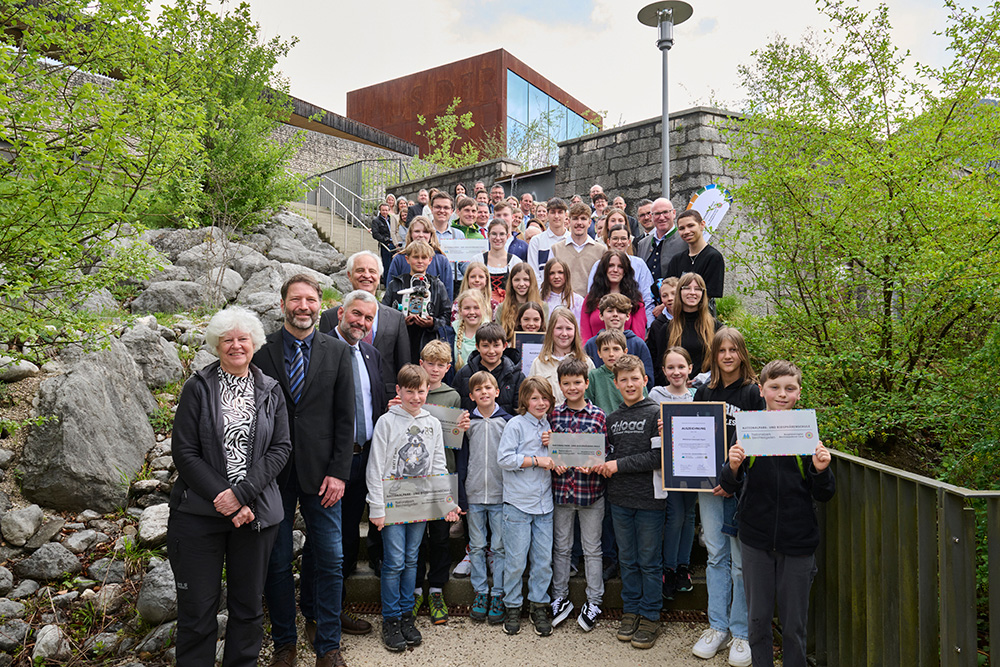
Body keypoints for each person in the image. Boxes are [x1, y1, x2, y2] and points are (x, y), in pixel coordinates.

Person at [169, 306, 291, 667]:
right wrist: (225, 498)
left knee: (248, 607)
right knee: (197, 611)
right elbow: (185, 451)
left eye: (243, 339)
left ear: (254, 344)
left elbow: (281, 447)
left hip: (255, 514)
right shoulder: (197, 387)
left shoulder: (270, 389)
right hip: (198, 515)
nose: (236, 345)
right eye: (227, 340)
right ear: (216, 345)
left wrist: (241, 494)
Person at [258, 275, 355, 667]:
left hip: (324, 476)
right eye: (296, 299)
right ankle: (285, 644)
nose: (304, 306)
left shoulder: (338, 351)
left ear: (320, 305)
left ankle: (328, 646)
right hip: (273, 475)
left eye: (311, 300)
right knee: (277, 561)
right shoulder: (261, 350)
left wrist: (340, 472)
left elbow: (346, 418)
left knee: (331, 560)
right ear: (282, 304)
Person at [721, 360, 834, 667]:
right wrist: (733, 466)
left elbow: (824, 493)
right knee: (757, 621)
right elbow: (728, 485)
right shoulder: (748, 429)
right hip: (755, 539)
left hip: (798, 541)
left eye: (789, 388)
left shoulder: (807, 432)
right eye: (774, 387)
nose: (782, 394)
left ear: (799, 392)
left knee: (794, 625)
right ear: (761, 390)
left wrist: (821, 470)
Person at [366, 364, 460, 652]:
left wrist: (446, 502)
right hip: (392, 504)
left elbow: (438, 465)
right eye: (410, 392)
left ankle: (407, 615)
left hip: (419, 503)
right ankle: (391, 618)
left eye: (420, 391)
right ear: (399, 391)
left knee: (411, 558)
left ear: (427, 390)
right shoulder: (386, 422)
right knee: (394, 561)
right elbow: (375, 466)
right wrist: (377, 508)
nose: (416, 397)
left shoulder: (432, 423)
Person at [691, 328, 764, 666]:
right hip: (709, 486)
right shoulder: (704, 391)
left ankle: (741, 633)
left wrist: (732, 479)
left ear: (742, 353)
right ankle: (717, 627)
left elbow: (757, 443)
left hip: (740, 487)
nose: (728, 356)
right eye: (722, 350)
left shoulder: (752, 392)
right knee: (715, 555)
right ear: (714, 355)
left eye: (734, 350)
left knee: (740, 561)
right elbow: (693, 436)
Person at [325, 290, 386, 638]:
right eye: (356, 314)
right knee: (329, 541)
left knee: (349, 535)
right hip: (333, 463)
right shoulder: (321, 349)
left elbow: (375, 402)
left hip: (365, 459)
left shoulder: (370, 354)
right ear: (340, 313)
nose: (361, 322)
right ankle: (323, 614)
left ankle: (337, 608)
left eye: (368, 318)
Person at [593, 354, 665, 650]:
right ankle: (631, 610)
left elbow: (658, 457)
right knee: (627, 559)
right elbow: (605, 454)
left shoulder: (657, 414)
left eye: (635, 378)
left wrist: (618, 465)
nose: (630, 384)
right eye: (624, 380)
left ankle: (650, 615)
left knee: (649, 561)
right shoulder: (611, 419)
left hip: (650, 500)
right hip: (620, 499)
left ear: (645, 380)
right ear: (616, 384)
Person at [548, 358, 608, 633]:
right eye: (566, 383)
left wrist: (596, 463)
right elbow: (549, 451)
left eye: (577, 382)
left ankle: (594, 600)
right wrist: (554, 461)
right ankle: (559, 596)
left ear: (586, 383)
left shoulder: (598, 416)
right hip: (562, 492)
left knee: (592, 549)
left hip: (590, 493)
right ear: (560, 385)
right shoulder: (553, 416)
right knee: (561, 548)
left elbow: (605, 451)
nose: (572, 388)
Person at [413, 341, 469, 626]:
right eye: (430, 363)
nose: (434, 370)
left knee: (440, 535)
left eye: (440, 365)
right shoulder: (411, 392)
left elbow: (455, 441)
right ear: (421, 363)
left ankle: (436, 588)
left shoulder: (452, 396)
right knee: (416, 536)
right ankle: (414, 588)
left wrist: (462, 428)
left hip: (444, 472)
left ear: (448, 368)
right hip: (413, 477)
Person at [497, 377, 556, 637]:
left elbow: (559, 457)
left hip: (544, 505)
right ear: (524, 400)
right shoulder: (516, 424)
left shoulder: (550, 426)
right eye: (534, 398)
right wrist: (536, 460)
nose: (540, 403)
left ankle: (538, 605)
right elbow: (504, 458)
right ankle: (512, 605)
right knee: (516, 560)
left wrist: (554, 445)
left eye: (544, 398)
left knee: (543, 561)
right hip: (518, 503)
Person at [319, 250, 410, 404]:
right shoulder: (330, 317)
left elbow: (404, 364)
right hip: (342, 399)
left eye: (372, 271)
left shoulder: (396, 318)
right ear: (349, 275)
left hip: (388, 399)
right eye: (360, 270)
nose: (366, 275)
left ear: (379, 276)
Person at [461, 370, 513, 626]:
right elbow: (461, 457)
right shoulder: (466, 424)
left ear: (497, 392)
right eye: (478, 389)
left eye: (488, 388)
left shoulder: (508, 422)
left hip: (500, 493)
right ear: (471, 396)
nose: (484, 392)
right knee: (477, 546)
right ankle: (481, 592)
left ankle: (498, 593)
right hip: (473, 494)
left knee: (500, 547)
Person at [648, 346, 698, 603]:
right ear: (664, 370)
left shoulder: (697, 395)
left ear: (690, 369)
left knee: (689, 515)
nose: (676, 372)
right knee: (675, 515)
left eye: (681, 367)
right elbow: (650, 427)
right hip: (669, 465)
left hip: (695, 465)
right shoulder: (656, 394)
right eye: (671, 367)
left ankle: (682, 566)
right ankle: (668, 568)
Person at [382, 240, 451, 363]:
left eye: (424, 257)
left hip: (428, 342)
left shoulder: (437, 285)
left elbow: (447, 316)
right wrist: (400, 322)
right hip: (400, 343)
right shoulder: (396, 284)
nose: (420, 261)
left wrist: (433, 323)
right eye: (415, 257)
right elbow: (384, 313)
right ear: (407, 259)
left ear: (430, 260)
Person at [587, 213, 655, 322]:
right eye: (615, 238)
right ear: (608, 241)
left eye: (623, 238)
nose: (619, 242)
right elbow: (592, 295)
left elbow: (647, 298)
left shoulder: (639, 264)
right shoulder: (599, 265)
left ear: (629, 242)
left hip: (633, 320)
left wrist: (649, 324)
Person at [453, 322, 525, 416]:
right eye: (485, 346)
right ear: (477, 347)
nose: (491, 351)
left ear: (504, 346)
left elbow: (520, 411)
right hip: (473, 424)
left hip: (507, 424)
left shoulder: (517, 376)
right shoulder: (464, 374)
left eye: (496, 345)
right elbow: (457, 409)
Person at [582, 293, 655, 386]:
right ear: (601, 315)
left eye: (620, 311)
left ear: (628, 316)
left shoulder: (638, 344)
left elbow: (648, 379)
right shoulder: (591, 344)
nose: (615, 314)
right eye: (610, 311)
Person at [529, 306, 594, 406]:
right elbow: (531, 396)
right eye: (559, 328)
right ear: (551, 331)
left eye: (569, 329)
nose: (564, 334)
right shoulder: (538, 363)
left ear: (575, 331)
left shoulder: (586, 362)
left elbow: (593, 396)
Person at [580, 249, 647, 340]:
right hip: (594, 348)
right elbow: (584, 334)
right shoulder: (591, 298)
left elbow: (638, 335)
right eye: (611, 265)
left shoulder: (635, 299)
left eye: (620, 266)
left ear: (625, 271)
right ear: (604, 269)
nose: (615, 270)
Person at [665, 273, 720, 380]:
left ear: (703, 293)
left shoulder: (716, 327)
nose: (692, 292)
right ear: (679, 292)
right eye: (687, 288)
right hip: (676, 387)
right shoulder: (667, 328)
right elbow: (659, 365)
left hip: (707, 388)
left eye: (698, 289)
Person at [665, 210, 726, 306]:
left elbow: (709, 295)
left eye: (691, 226)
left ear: (702, 225)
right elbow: (669, 289)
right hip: (676, 312)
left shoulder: (713, 257)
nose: (686, 231)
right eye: (681, 228)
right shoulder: (676, 260)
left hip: (702, 313)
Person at [386, 216, 454, 301]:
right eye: (417, 231)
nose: (421, 235)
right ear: (410, 234)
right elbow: (390, 291)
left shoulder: (441, 260)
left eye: (425, 232)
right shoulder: (399, 259)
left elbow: (448, 294)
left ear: (431, 235)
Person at [551, 202, 607, 297]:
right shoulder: (556, 249)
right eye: (575, 218)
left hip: (591, 302)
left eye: (583, 219)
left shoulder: (601, 250)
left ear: (589, 223)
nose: (579, 223)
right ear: (569, 222)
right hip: (562, 302)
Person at [636, 197, 685, 281]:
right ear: (652, 216)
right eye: (657, 214)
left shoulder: (684, 240)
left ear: (674, 213)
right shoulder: (642, 244)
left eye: (665, 212)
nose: (661, 218)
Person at [584, 329, 630, 417]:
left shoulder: (633, 376)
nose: (611, 354)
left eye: (616, 349)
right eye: (606, 349)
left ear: (625, 352)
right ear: (599, 353)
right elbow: (587, 405)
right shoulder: (594, 376)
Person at [495, 263, 544, 343]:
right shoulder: (502, 307)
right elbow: (497, 336)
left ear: (532, 281)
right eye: (517, 280)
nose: (521, 284)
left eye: (526, 279)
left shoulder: (542, 306)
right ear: (511, 282)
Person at [646, 277, 679, 387]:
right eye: (665, 296)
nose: (670, 298)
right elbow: (653, 355)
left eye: (674, 294)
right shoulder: (657, 325)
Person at [527, 197, 570, 279]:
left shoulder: (572, 240)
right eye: (553, 212)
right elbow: (534, 273)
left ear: (565, 215)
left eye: (560, 212)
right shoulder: (536, 241)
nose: (556, 216)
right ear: (547, 215)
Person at [482, 218, 522, 303]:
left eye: (502, 234)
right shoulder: (478, 260)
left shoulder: (515, 262)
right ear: (488, 236)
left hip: (509, 307)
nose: (497, 238)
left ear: (507, 236)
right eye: (494, 234)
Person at [454, 289, 490, 369]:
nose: (472, 312)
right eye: (467, 308)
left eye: (476, 308)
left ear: (483, 308)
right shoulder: (450, 333)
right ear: (460, 310)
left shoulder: (492, 333)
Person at [540, 258, 584, 322]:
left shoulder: (578, 301)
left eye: (560, 272)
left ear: (566, 274)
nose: (556, 276)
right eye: (552, 273)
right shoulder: (540, 299)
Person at [371, 203, 395, 283]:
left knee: (394, 264)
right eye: (383, 210)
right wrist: (385, 240)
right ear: (380, 211)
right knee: (386, 264)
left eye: (386, 210)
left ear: (389, 210)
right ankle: (386, 283)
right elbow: (375, 234)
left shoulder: (392, 219)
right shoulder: (376, 221)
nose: (385, 212)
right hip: (386, 244)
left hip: (395, 243)